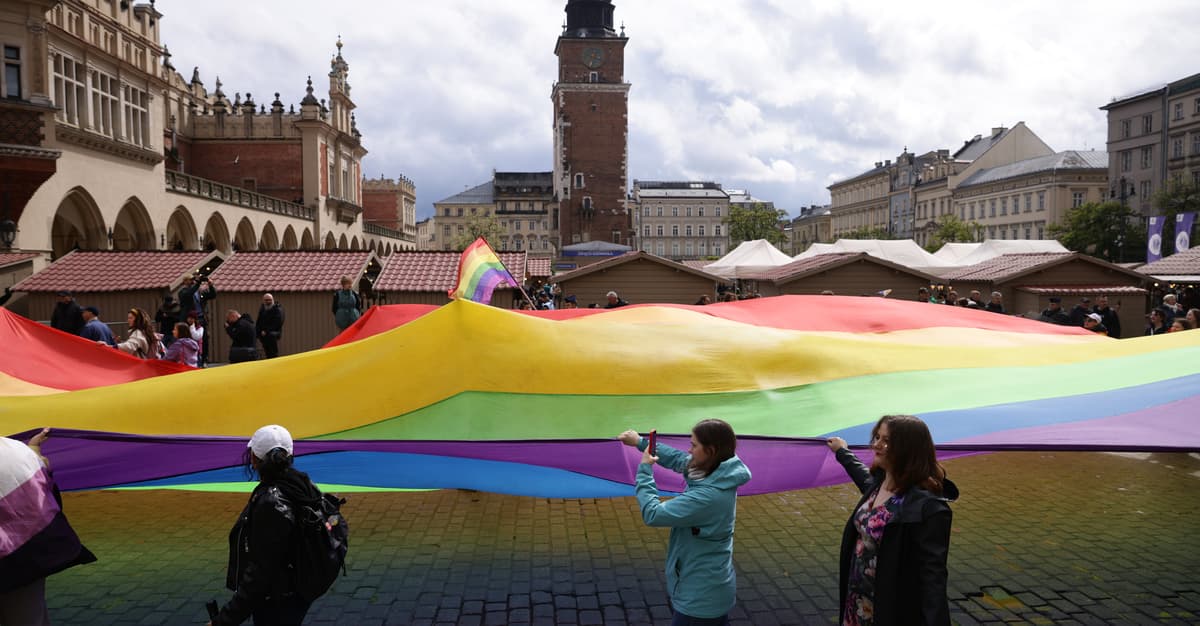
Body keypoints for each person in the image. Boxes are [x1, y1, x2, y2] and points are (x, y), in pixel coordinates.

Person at [827, 415, 958, 626]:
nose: (877, 445)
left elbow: (932, 578)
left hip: (888, 610)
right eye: (877, 437)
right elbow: (863, 477)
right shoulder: (879, 485)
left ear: (908, 449)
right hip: (857, 602)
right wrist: (842, 451)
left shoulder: (928, 509)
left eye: (887, 441)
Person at [618, 419, 751, 625]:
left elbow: (653, 514)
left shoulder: (708, 497)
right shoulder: (718, 469)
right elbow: (679, 459)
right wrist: (642, 443)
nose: (689, 450)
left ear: (711, 450)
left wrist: (644, 470)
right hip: (711, 590)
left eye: (694, 445)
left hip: (700, 600)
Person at [210, 425, 322, 626]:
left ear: (254, 459)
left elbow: (260, 574)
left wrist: (224, 620)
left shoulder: (271, 503)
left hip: (277, 602)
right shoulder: (301, 484)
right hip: (296, 593)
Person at [0, 428, 96, 624]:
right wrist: (33, 450)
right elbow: (41, 478)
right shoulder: (14, 451)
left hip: (19, 560)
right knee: (28, 616)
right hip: (24, 558)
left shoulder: (14, 451)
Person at [256, 293, 285, 359]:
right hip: (263, 334)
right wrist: (258, 331)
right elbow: (259, 321)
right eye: (266, 300)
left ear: (273, 300)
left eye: (270, 300)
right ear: (263, 300)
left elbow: (277, 323)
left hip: (273, 334)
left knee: (273, 353)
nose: (268, 301)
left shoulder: (277, 309)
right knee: (267, 352)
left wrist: (266, 331)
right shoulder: (263, 309)